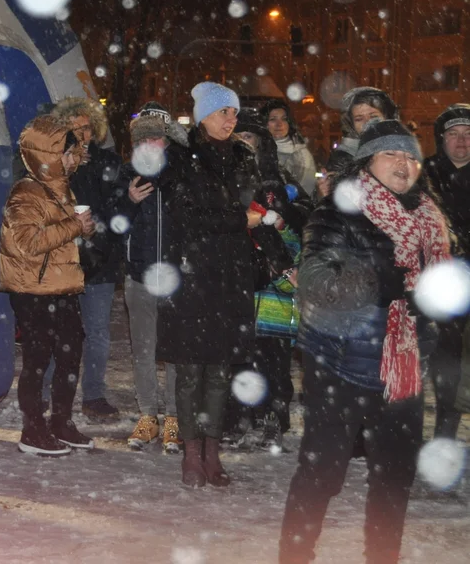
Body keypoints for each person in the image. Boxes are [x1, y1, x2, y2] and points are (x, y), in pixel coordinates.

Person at [280, 120, 449, 564]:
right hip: (339, 366)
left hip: (404, 371)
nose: (404, 163)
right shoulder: (337, 211)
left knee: (395, 480)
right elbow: (314, 283)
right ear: (368, 162)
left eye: (411, 156)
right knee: (321, 476)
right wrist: (375, 280)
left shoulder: (430, 217)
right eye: (392, 154)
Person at [158, 82, 261, 488]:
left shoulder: (242, 157)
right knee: (188, 372)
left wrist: (258, 215)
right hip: (190, 276)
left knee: (219, 372)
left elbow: (252, 203)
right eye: (224, 113)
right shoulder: (180, 159)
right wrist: (240, 220)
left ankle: (213, 454)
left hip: (230, 277)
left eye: (234, 114)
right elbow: (187, 218)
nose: (231, 121)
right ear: (203, 116)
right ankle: (191, 455)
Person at [0, 115, 95, 455]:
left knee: (70, 354)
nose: (73, 159)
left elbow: (62, 236)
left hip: (61, 285)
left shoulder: (61, 188)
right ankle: (32, 431)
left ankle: (61, 422)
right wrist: (72, 227)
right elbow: (27, 242)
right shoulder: (26, 191)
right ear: (47, 155)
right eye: (67, 153)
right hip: (33, 290)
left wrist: (84, 231)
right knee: (38, 359)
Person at [228, 109, 308, 449]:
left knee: (275, 362)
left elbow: (299, 231)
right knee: (243, 362)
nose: (245, 145)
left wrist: (280, 230)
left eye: (250, 139)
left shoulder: (278, 185)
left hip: (277, 291)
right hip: (242, 290)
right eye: (239, 139)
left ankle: (275, 417)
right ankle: (244, 417)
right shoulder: (227, 182)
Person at [43, 98, 125, 419]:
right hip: (62, 259)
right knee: (57, 330)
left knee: (97, 331)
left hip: (99, 261)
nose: (81, 134)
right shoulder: (54, 162)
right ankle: (50, 390)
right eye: (73, 128)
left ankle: (93, 396)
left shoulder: (109, 161)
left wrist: (98, 231)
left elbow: (119, 208)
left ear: (95, 130)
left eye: (86, 127)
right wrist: (67, 165)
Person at [119, 102, 186, 453]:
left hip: (174, 278)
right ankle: (148, 415)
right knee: (143, 350)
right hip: (139, 275)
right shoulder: (125, 173)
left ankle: (174, 418)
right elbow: (111, 225)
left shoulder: (182, 172)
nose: (152, 145)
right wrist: (127, 201)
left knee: (174, 350)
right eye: (145, 139)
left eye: (158, 138)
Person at [423, 103, 470, 440]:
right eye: (454, 135)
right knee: (445, 356)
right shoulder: (423, 175)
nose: (462, 142)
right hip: (439, 280)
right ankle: (445, 431)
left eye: (468, 135)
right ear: (442, 139)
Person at [261, 99, 317, 197]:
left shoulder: (301, 155)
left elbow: (306, 191)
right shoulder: (258, 149)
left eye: (284, 119)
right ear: (264, 123)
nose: (279, 124)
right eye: (273, 119)